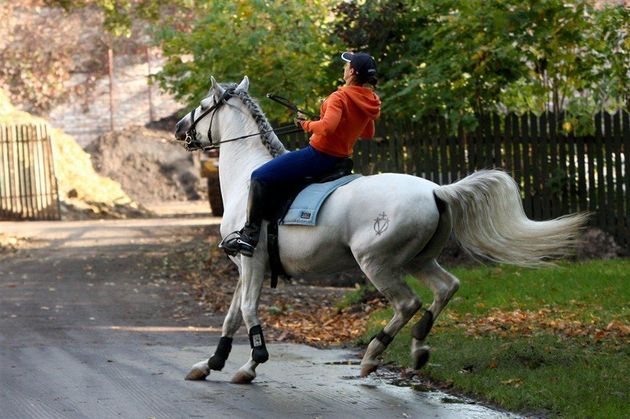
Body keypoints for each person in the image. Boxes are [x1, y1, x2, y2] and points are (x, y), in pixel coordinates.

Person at [220, 51, 381, 257]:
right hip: (341, 160)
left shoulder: (339, 97)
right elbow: (368, 133)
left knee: (259, 176)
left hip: (319, 156)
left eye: (346, 66)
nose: (344, 68)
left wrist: (305, 124)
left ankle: (249, 237)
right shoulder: (370, 100)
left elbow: (327, 128)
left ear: (352, 72)